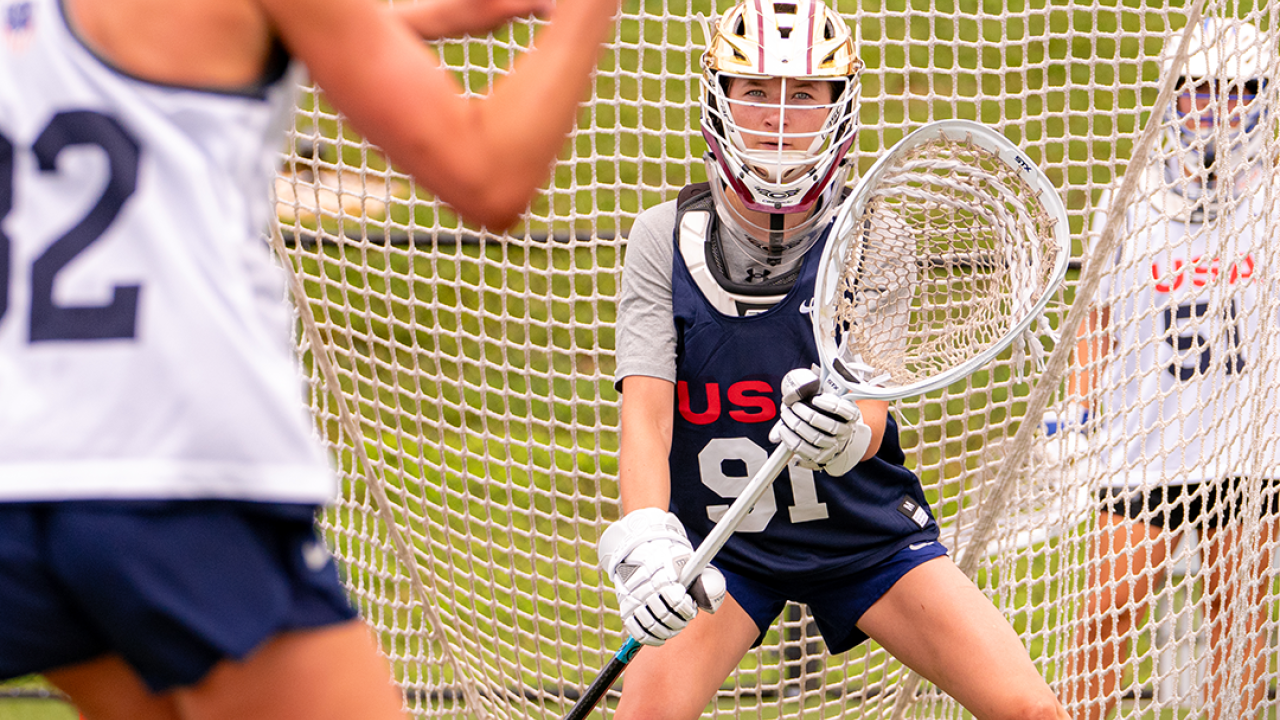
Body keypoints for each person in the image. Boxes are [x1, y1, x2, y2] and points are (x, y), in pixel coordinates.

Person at [0, 0, 616, 717]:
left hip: (22, 468)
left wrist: (377, 22)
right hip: (176, 477)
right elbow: (489, 175)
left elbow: (190, 47)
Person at [597, 2, 1070, 719]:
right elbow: (647, 418)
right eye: (754, 90)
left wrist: (844, 432)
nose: (779, 116)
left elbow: (871, 418)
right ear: (719, 97)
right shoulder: (662, 239)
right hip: (726, 547)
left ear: (838, 108)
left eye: (804, 94)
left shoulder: (874, 234)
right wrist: (646, 542)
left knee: (1030, 710)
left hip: (862, 534)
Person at [1057, 17, 1280, 720]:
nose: (1217, 110)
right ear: (1171, 96)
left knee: (1237, 622)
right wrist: (1077, 408)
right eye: (1199, 92)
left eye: (1239, 92)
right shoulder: (1131, 202)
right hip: (1146, 445)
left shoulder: (1271, 202)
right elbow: (1097, 320)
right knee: (1102, 616)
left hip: (1247, 446)